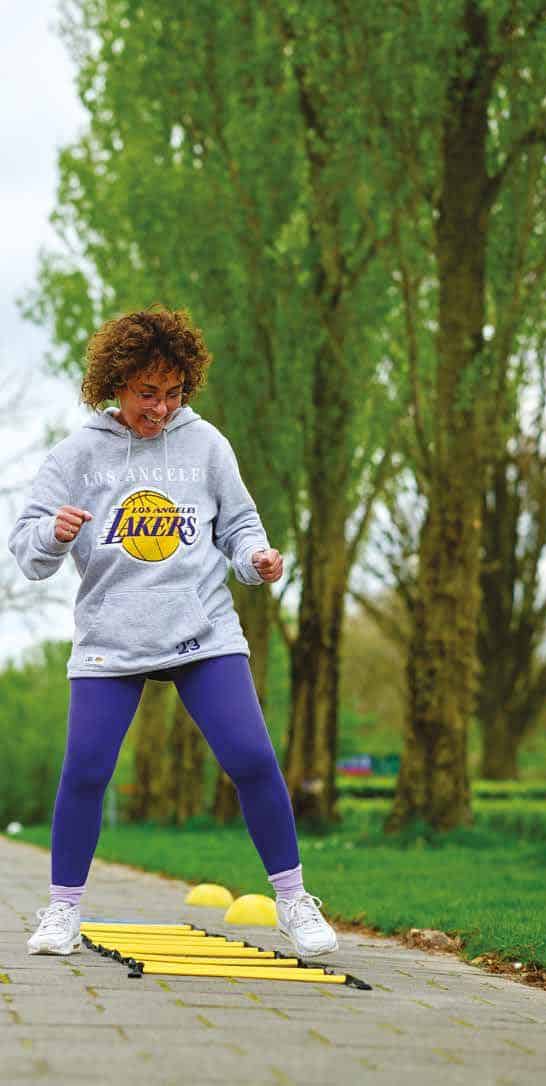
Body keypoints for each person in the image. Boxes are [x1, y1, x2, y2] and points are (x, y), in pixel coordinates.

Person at [10, 307, 338, 959]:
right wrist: (54, 533)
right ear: (115, 384)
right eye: (146, 394)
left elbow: (239, 527)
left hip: (201, 629)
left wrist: (256, 560)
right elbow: (26, 548)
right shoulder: (79, 454)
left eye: (173, 393)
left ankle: (294, 901)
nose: (159, 409)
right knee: (85, 772)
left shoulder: (206, 445)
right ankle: (61, 912)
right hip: (113, 636)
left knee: (251, 758)